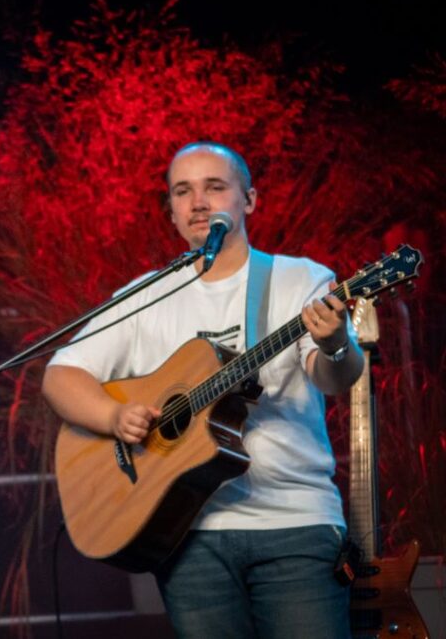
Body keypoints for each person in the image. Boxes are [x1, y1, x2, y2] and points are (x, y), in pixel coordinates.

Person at [42, 142, 363, 638]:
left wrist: (338, 343)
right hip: (186, 534)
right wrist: (112, 417)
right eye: (183, 191)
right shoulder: (145, 296)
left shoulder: (300, 278)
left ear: (248, 199)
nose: (198, 203)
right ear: (169, 210)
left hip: (295, 525)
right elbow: (61, 376)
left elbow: (333, 377)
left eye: (215, 187)